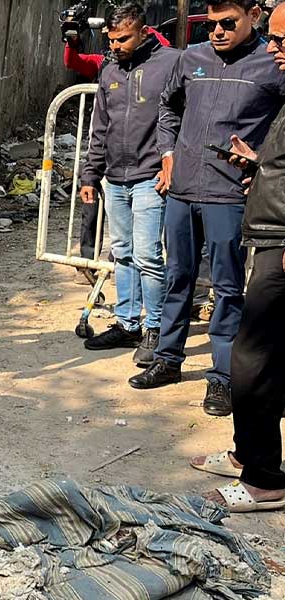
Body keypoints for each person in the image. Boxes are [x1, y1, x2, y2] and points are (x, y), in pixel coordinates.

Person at [129, 0, 285, 416]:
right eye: (210, 24)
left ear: (253, 15)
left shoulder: (271, 64)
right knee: (177, 276)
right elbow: (168, 107)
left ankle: (222, 378)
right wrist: (167, 153)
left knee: (227, 287)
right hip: (182, 191)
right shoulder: (191, 57)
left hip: (230, 195)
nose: (216, 31)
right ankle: (167, 358)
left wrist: (264, 159)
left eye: (227, 23)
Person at [190, 4, 285, 512]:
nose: (273, 50)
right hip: (271, 234)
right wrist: (260, 164)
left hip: (282, 246)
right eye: (272, 39)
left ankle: (264, 479)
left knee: (251, 361)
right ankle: (250, 454)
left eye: (282, 41)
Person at [79, 3, 180, 364]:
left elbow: (186, 115)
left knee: (148, 256)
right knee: (122, 251)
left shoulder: (171, 63)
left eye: (123, 39)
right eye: (111, 39)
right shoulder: (109, 68)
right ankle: (128, 323)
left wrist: (173, 163)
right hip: (116, 179)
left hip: (151, 177)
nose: (116, 45)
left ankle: (155, 328)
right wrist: (90, 174)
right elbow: (99, 127)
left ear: (143, 31)